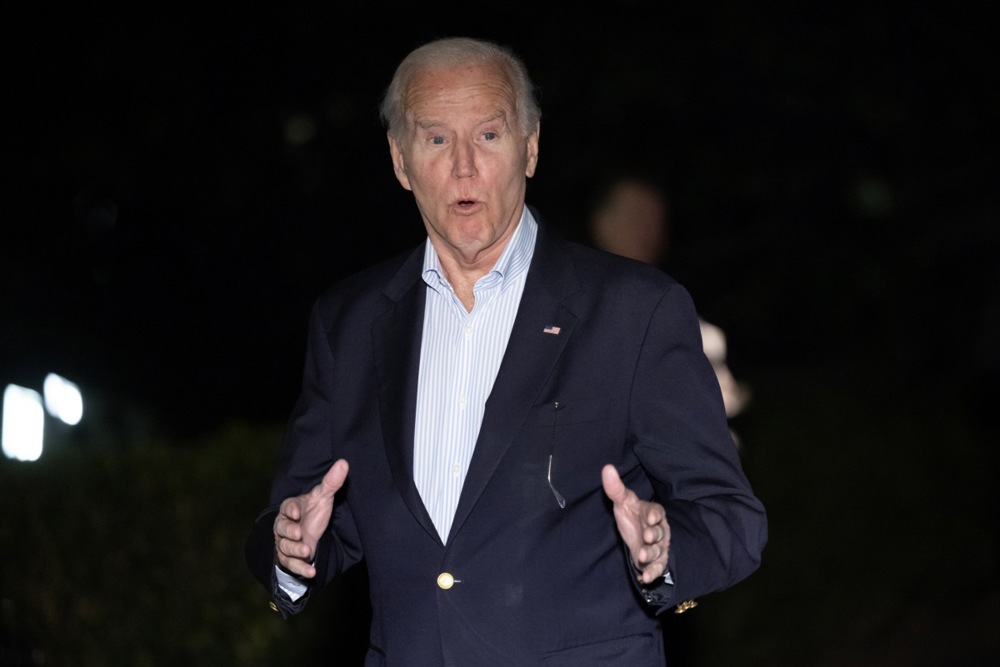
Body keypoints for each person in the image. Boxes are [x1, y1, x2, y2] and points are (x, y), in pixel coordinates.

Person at [246, 37, 766, 667]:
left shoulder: (634, 310)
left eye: (488, 136)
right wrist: (290, 546)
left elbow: (730, 518)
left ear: (531, 146)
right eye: (436, 139)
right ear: (399, 160)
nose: (464, 167)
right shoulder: (349, 323)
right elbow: (315, 517)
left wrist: (663, 551)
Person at [588, 176, 750, 428]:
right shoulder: (571, 306)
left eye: (656, 220)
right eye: (636, 218)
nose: (648, 231)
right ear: (601, 222)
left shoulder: (683, 309)